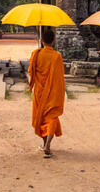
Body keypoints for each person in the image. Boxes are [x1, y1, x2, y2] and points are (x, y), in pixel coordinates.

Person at [27, 27, 65, 158]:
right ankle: (48, 144)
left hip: (39, 91)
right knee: (52, 116)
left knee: (41, 116)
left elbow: (30, 72)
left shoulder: (36, 54)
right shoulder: (57, 56)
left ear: (42, 40)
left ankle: (44, 144)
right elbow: (60, 76)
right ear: (54, 41)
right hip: (53, 91)